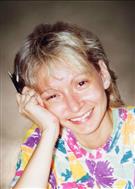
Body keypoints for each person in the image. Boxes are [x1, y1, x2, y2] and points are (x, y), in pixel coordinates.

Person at [10, 22, 135, 189]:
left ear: (103, 74)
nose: (74, 106)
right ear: (38, 102)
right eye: (53, 95)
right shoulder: (41, 141)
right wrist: (49, 131)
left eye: (81, 83)